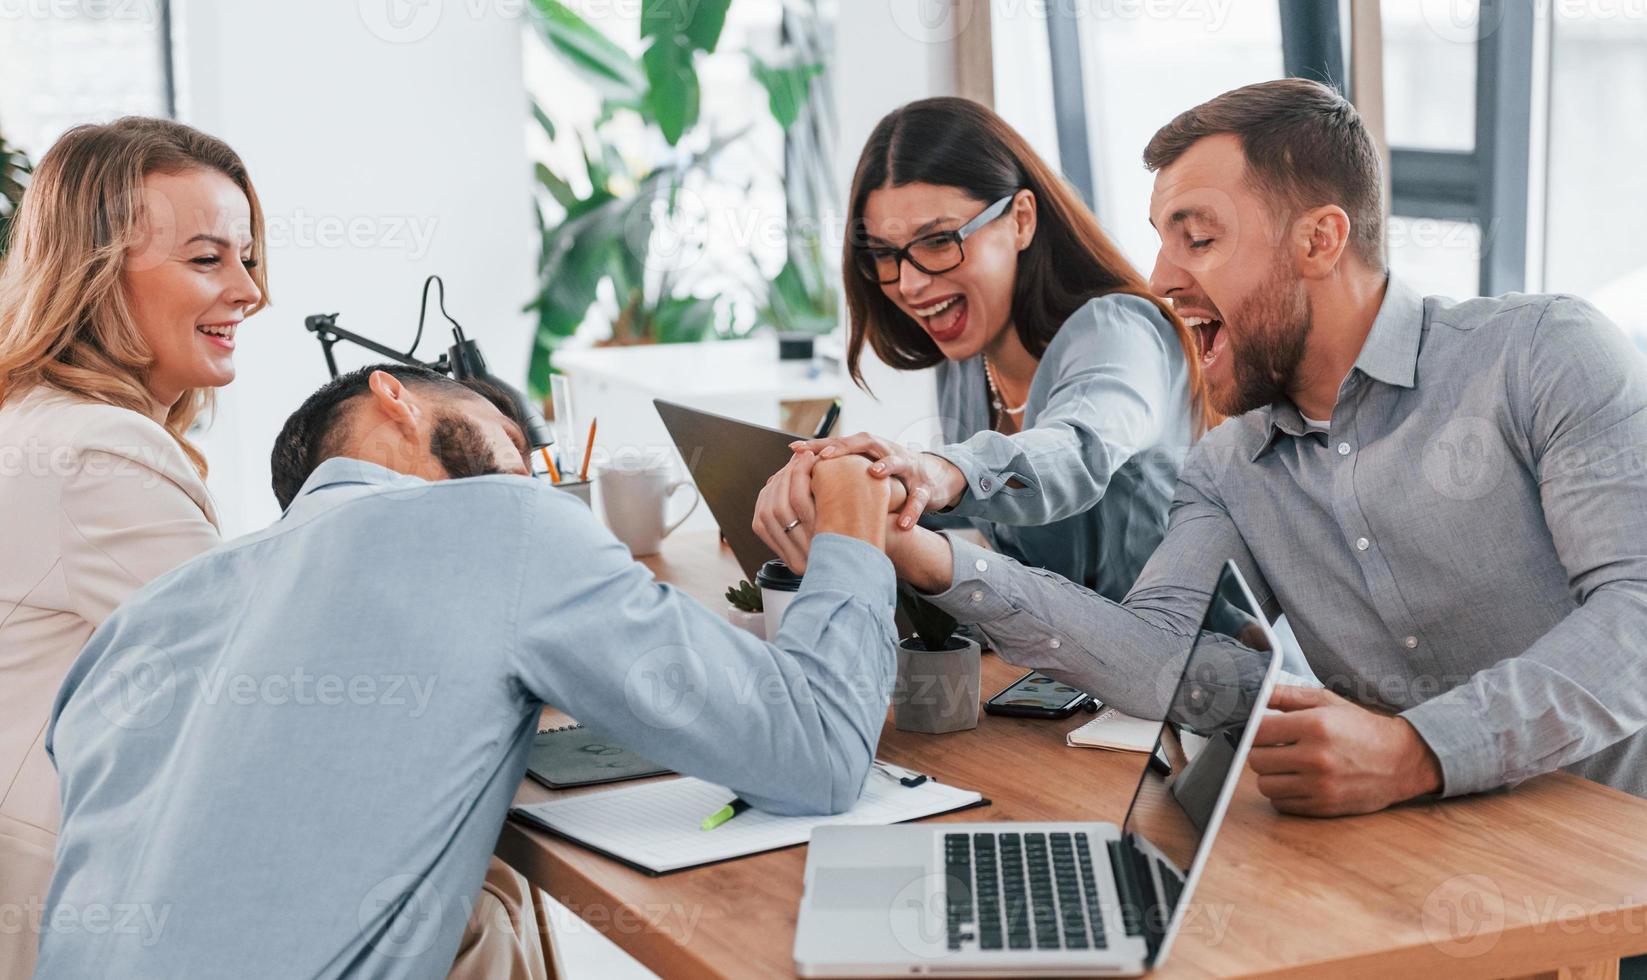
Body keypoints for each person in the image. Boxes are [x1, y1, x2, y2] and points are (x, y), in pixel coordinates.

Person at [822, 78, 1647, 818]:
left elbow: (1635, 617)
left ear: (1319, 240)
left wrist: (1417, 750)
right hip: (1438, 867)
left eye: (1197, 238)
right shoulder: (1226, 466)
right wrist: (925, 554)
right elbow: (1149, 654)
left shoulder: (1542, 354)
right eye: (1160, 238)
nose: (1159, 276)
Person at [37, 364, 897, 978]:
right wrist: (851, 529)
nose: (525, 469)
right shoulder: (501, 521)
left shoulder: (148, 617)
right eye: (512, 440)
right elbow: (812, 751)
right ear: (395, 398)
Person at [0, 117, 263, 977]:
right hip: (76, 881)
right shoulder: (98, 453)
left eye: (246, 257)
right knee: (474, 905)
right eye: (206, 259)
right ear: (97, 277)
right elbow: (248, 685)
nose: (250, 291)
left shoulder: (39, 420)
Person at [765, 97, 1210, 601]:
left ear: (1020, 219)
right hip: (1060, 660)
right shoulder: (967, 356)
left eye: (937, 240)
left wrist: (939, 469)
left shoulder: (1119, 331)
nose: (910, 284)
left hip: (1188, 662)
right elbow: (1014, 542)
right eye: (886, 255)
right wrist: (861, 490)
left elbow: (1079, 451)